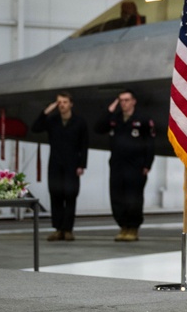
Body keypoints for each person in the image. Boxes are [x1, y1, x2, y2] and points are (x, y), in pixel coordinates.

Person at [95, 90, 155, 242]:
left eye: (127, 100)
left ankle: (133, 228)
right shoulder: (115, 119)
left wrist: (147, 164)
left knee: (133, 198)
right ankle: (123, 226)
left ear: (133, 101)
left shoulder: (142, 119)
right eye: (121, 100)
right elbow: (98, 128)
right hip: (117, 165)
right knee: (117, 197)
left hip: (136, 166)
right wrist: (110, 109)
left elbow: (150, 143)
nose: (124, 103)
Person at [32, 92, 89, 242]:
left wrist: (82, 165)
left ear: (71, 104)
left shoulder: (79, 122)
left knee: (70, 196)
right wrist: (46, 112)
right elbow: (35, 128)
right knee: (56, 195)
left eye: (64, 102)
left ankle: (68, 229)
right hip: (55, 163)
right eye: (59, 102)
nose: (62, 105)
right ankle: (58, 229)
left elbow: (84, 145)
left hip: (72, 164)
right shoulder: (52, 120)